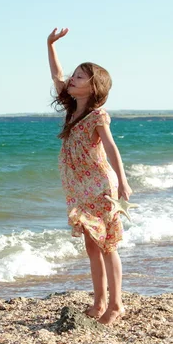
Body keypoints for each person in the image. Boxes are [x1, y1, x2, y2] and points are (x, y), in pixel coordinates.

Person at [47, 27, 132, 325]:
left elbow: (110, 147)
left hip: (99, 185)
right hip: (79, 187)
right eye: (74, 75)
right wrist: (51, 45)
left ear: (94, 86)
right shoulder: (71, 108)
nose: (72, 78)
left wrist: (123, 180)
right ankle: (99, 302)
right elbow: (57, 75)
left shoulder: (98, 115)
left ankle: (117, 305)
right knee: (91, 245)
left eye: (80, 77)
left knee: (107, 244)